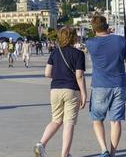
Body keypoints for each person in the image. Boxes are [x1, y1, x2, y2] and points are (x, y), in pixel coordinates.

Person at [86, 14, 126, 157]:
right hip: (119, 84)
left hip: (100, 85)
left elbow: (101, 38)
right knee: (115, 121)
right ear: (107, 25)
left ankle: (104, 149)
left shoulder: (90, 43)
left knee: (97, 119)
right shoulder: (120, 41)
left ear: (93, 28)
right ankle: (113, 152)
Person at [34, 26, 87, 157]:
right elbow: (79, 76)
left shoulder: (55, 53)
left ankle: (41, 144)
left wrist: (59, 76)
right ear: (74, 37)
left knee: (56, 120)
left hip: (55, 89)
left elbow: (47, 73)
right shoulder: (79, 54)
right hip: (71, 90)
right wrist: (84, 94)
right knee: (68, 123)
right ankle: (65, 154)